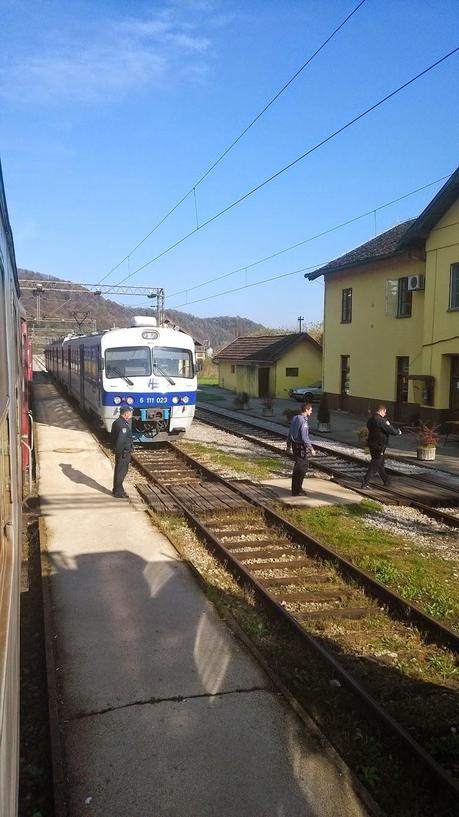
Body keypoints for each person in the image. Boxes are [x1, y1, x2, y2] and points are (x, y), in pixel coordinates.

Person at [361, 404, 402, 488]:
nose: (385, 414)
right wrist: (398, 431)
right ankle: (365, 483)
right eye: (385, 412)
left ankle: (386, 481)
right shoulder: (380, 420)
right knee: (375, 463)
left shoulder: (371, 419)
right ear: (382, 411)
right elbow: (390, 429)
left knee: (380, 464)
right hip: (379, 445)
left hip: (372, 444)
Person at [287, 403, 315, 496]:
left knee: (299, 466)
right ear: (306, 410)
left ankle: (297, 488)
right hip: (300, 447)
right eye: (310, 410)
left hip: (295, 445)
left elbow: (290, 432)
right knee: (301, 468)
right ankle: (296, 490)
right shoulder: (303, 421)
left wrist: (288, 445)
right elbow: (304, 437)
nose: (311, 411)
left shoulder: (295, 418)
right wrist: (311, 448)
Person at [110, 404, 134, 498]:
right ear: (126, 413)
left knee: (119, 471)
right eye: (130, 412)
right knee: (121, 472)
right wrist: (121, 452)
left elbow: (113, 438)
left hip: (121, 452)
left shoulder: (117, 422)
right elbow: (120, 441)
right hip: (123, 453)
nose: (131, 414)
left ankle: (117, 489)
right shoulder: (123, 425)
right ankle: (118, 492)